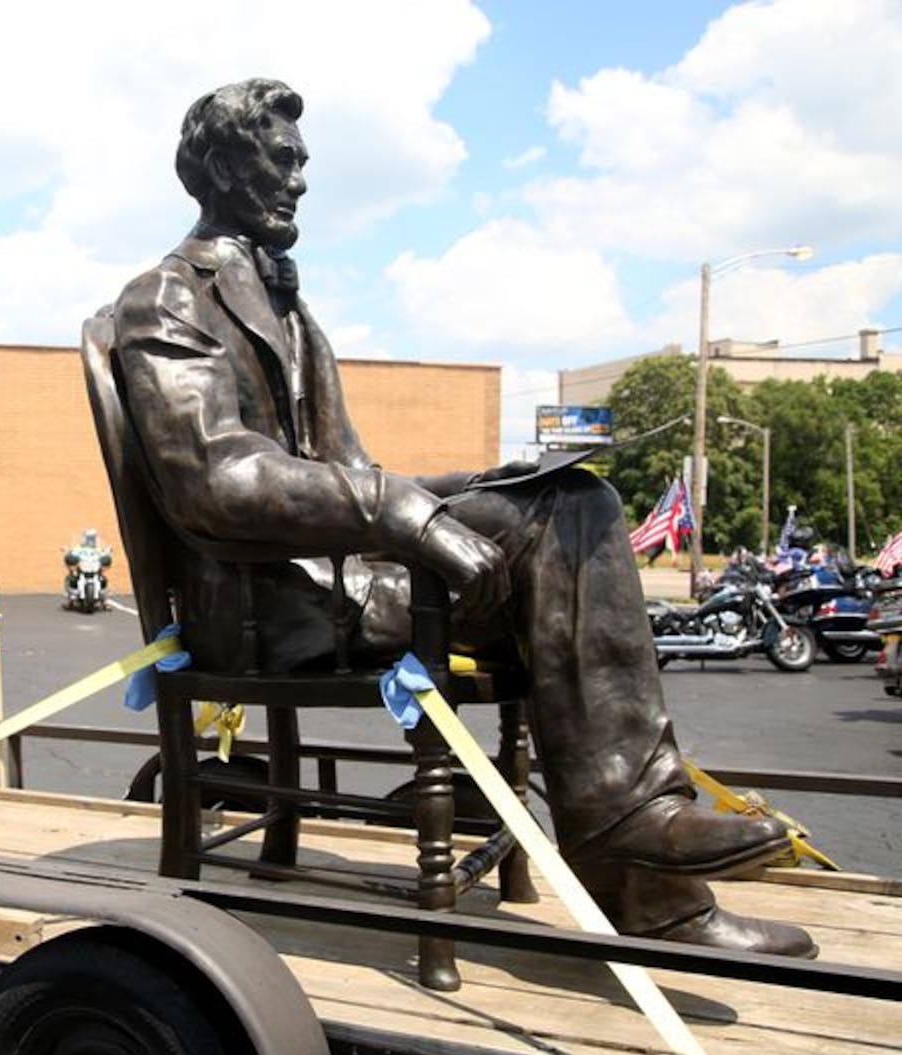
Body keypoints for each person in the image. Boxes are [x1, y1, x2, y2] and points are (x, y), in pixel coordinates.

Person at [103, 78, 812, 957]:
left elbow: (350, 472)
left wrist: (483, 481)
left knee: (568, 498)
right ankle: (640, 843)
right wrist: (403, 509)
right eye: (280, 159)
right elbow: (218, 481)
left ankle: (649, 867)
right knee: (560, 524)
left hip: (332, 578)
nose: (300, 180)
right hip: (267, 606)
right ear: (217, 164)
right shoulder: (166, 300)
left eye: (302, 162)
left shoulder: (288, 306)